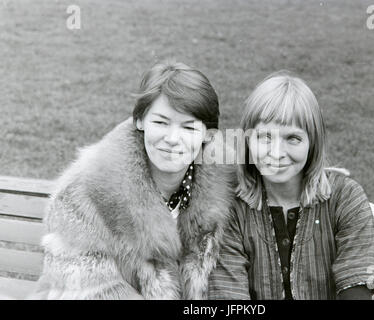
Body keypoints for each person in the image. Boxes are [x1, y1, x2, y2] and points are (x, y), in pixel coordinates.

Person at [29, 61, 236, 299]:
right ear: (140, 121)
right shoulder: (86, 191)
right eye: (160, 122)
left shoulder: (225, 188)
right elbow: (87, 289)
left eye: (189, 127)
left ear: (208, 135)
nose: (172, 139)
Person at [208, 72, 374, 300]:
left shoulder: (344, 197)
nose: (277, 153)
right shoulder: (231, 206)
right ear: (247, 140)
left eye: (292, 138)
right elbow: (229, 297)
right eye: (264, 137)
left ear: (313, 143)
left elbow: (356, 287)